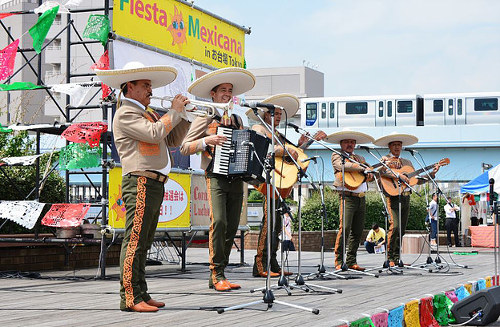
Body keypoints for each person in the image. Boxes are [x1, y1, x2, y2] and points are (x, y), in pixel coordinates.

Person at [95, 62, 191, 312]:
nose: (150, 89)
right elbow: (154, 133)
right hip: (139, 180)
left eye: (150, 85)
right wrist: (174, 111)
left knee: (144, 241)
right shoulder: (126, 113)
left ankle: (141, 292)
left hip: (152, 182)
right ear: (130, 87)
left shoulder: (147, 113)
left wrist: (184, 117)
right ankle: (129, 297)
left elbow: (170, 139)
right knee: (135, 239)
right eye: (145, 85)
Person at [180, 67, 256, 291]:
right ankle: (216, 273)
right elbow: (185, 147)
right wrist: (208, 141)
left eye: (230, 91)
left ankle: (221, 272)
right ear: (212, 94)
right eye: (223, 90)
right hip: (215, 175)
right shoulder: (204, 117)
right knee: (219, 222)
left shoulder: (237, 119)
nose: (227, 94)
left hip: (237, 178)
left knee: (232, 226)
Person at [246, 93, 326, 277]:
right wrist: (284, 149)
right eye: (275, 113)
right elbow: (264, 149)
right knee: (268, 224)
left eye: (281, 114)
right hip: (269, 180)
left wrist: (302, 144)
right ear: (265, 113)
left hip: (280, 181)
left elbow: (292, 155)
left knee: (276, 226)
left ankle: (273, 264)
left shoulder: (279, 134)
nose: (279, 117)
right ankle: (260, 265)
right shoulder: (259, 127)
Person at [373, 133, 440, 267]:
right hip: (392, 196)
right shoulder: (385, 159)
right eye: (394, 145)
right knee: (395, 226)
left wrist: (431, 174)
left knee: (402, 229)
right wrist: (398, 175)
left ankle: (397, 258)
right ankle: (390, 257)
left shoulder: (408, 163)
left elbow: (415, 180)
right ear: (389, 146)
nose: (397, 147)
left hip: (405, 197)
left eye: (399, 145)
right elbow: (378, 172)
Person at [327, 129, 375, 271]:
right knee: (345, 228)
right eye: (347, 142)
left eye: (352, 142)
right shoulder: (337, 155)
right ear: (341, 143)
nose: (350, 144)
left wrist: (368, 173)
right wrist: (362, 168)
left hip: (361, 197)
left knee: (357, 231)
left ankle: (351, 260)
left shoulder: (360, 157)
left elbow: (370, 173)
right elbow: (341, 166)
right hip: (347, 197)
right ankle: (339, 260)